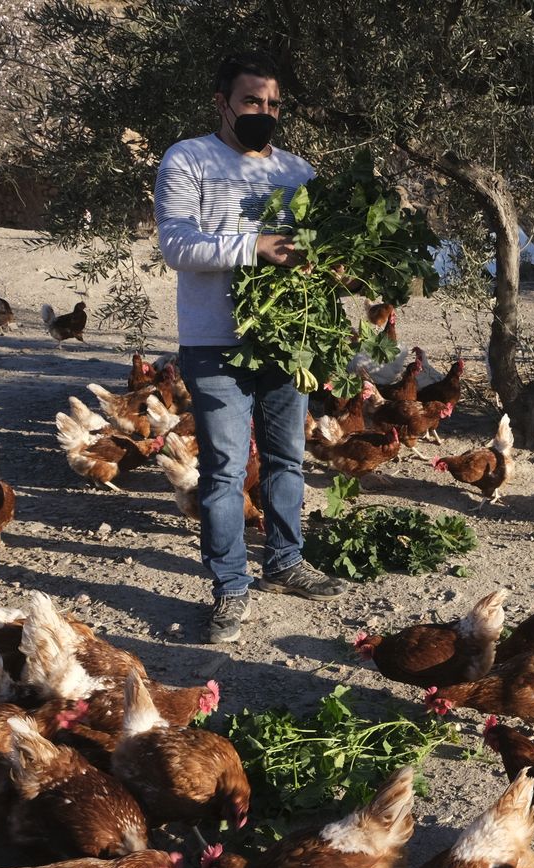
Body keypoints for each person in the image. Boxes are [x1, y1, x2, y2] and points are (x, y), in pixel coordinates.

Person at [155, 52, 346, 644]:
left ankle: (285, 562)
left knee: (288, 459)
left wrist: (336, 266)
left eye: (272, 104)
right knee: (223, 470)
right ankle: (230, 587)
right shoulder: (187, 159)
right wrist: (254, 244)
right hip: (214, 342)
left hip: (287, 344)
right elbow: (177, 244)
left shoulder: (299, 171)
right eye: (251, 102)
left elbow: (319, 247)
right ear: (222, 102)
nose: (263, 112)